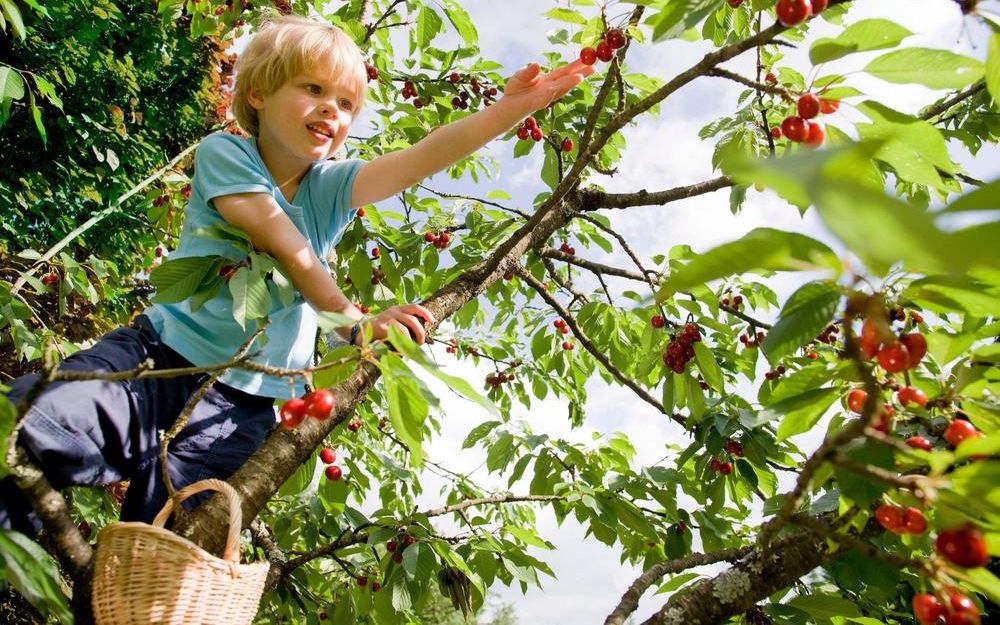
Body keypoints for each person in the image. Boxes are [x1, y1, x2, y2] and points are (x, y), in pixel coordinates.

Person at [0, 14, 594, 533]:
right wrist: (355, 322)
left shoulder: (329, 190)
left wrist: (512, 109)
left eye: (345, 105)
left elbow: (420, 159)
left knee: (163, 552)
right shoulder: (225, 154)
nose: (331, 111)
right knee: (33, 428)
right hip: (157, 360)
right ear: (258, 93)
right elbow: (286, 246)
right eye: (313, 89)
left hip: (240, 407)